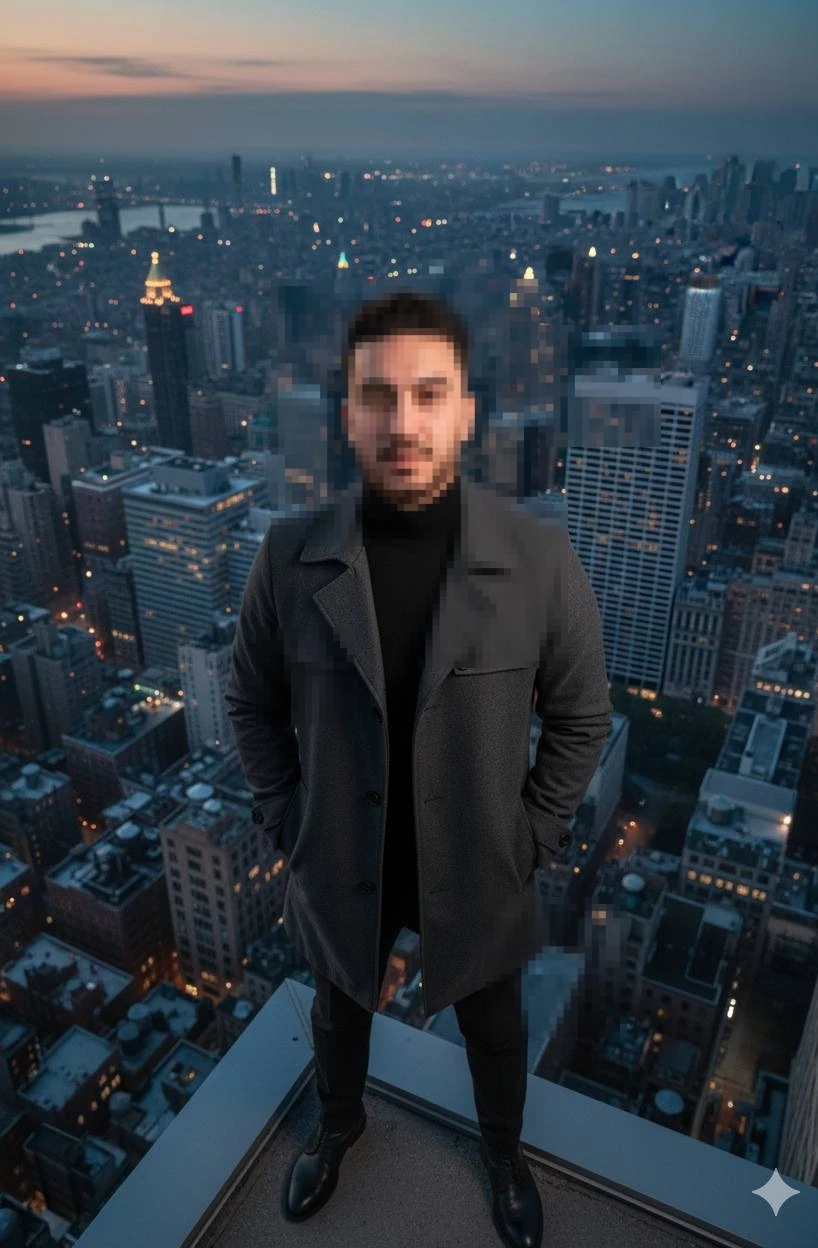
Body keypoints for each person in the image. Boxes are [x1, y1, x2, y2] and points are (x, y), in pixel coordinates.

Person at [225, 291, 613, 1247]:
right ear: (348, 412)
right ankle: (338, 1126)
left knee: (496, 1026)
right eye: (378, 395)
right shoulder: (287, 557)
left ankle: (502, 1152)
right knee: (337, 1013)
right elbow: (249, 703)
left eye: (427, 394)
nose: (402, 422)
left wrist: (531, 838)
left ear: (465, 411)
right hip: (343, 855)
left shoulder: (539, 558)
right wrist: (288, 819)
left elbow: (581, 716)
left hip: (476, 861)